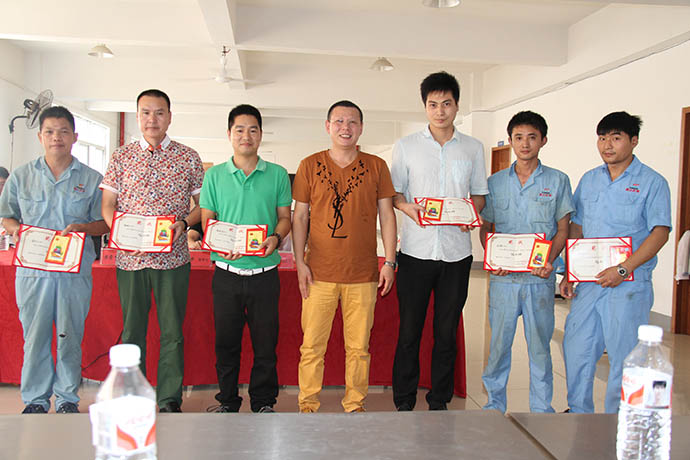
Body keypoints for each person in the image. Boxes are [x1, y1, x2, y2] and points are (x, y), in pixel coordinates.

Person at [100, 89, 205, 413]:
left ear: (169, 117)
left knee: (172, 331)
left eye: (159, 112)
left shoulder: (188, 157)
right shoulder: (121, 157)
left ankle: (169, 398)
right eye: (145, 112)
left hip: (173, 259)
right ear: (137, 117)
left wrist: (184, 223)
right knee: (133, 331)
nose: (152, 119)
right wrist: (123, 235)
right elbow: (107, 205)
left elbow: (203, 207)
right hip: (130, 260)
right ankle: (134, 396)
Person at [560, 111, 671, 413]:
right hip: (590, 282)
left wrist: (624, 268)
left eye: (616, 138)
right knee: (577, 349)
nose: (607, 145)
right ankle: (579, 413)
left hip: (628, 284)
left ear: (634, 141)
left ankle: (617, 419)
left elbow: (660, 232)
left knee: (625, 357)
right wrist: (570, 271)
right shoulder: (590, 180)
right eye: (602, 138)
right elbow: (577, 226)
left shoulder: (652, 182)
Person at [390, 71, 488, 411]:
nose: (440, 111)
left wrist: (470, 214)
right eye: (433, 104)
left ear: (457, 106)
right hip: (415, 252)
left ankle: (439, 400)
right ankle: (404, 400)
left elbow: (479, 194)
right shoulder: (406, 147)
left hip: (456, 254)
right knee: (409, 331)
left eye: (446, 103)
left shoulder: (473, 148)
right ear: (425, 107)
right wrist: (406, 207)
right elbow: (395, 193)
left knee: (446, 332)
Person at [0, 106, 108, 413]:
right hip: (33, 273)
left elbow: (104, 223)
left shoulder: (92, 179)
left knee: (69, 336)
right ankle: (35, 400)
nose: (56, 137)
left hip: (73, 274)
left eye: (63, 132)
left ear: (75, 137)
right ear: (40, 137)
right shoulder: (21, 176)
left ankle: (66, 398)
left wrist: (82, 228)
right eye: (49, 132)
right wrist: (17, 230)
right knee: (34, 337)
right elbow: (7, 215)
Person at [292, 100, 397, 413]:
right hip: (318, 273)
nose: (345, 128)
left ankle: (355, 405)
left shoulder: (377, 166)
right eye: (338, 121)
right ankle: (307, 405)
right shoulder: (309, 165)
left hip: (362, 274)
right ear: (327, 126)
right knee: (312, 346)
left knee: (359, 348)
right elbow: (300, 217)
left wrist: (389, 261)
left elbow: (387, 215)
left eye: (352, 122)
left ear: (361, 128)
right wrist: (300, 263)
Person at [479, 111, 574, 413]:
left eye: (532, 137)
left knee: (540, 349)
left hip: (539, 280)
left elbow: (563, 229)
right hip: (503, 281)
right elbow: (486, 227)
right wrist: (492, 257)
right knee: (498, 348)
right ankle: (494, 405)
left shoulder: (557, 181)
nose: (525, 144)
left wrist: (550, 260)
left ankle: (541, 409)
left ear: (543, 140)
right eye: (518, 137)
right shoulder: (495, 183)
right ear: (510, 141)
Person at [200, 104, 292, 413]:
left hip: (264, 274)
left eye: (253, 130)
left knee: (266, 344)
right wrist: (217, 241)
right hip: (226, 273)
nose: (246, 136)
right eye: (239, 130)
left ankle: (263, 402)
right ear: (229, 134)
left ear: (261, 134)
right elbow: (208, 218)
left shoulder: (277, 174)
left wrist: (275, 238)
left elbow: (284, 218)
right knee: (226, 343)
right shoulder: (214, 176)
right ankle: (227, 401)